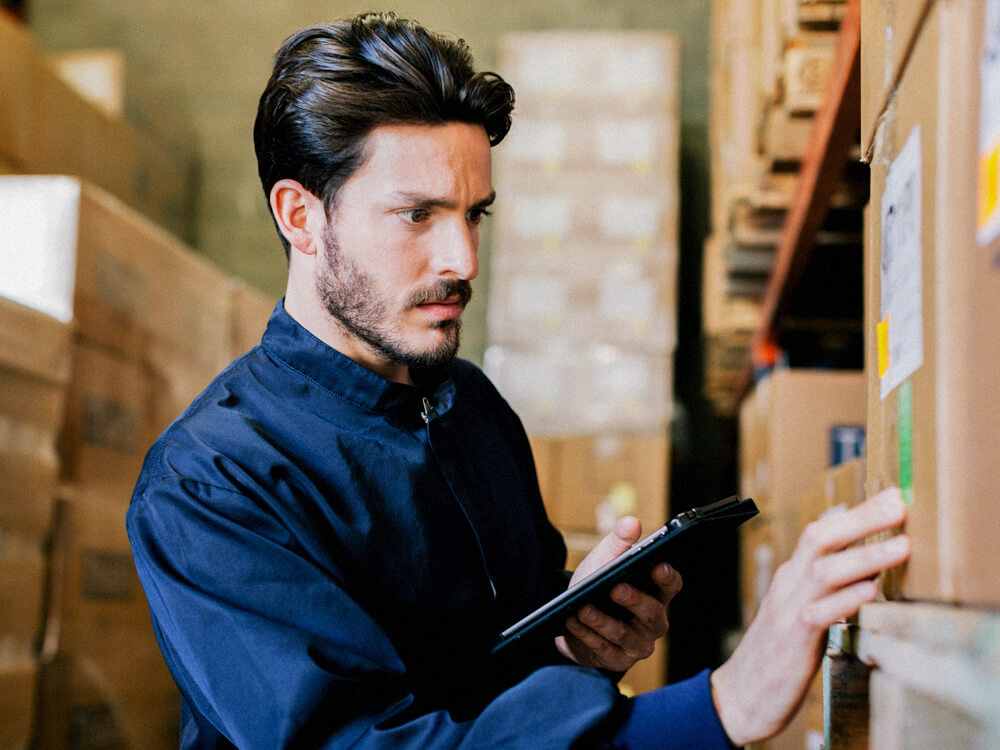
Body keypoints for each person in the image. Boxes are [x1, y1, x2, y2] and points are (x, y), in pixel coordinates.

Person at [126, 12, 911, 749]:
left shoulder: (472, 407)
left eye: (475, 215)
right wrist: (718, 708)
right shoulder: (210, 484)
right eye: (416, 215)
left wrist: (577, 639)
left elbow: (495, 692)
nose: (462, 261)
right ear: (302, 217)